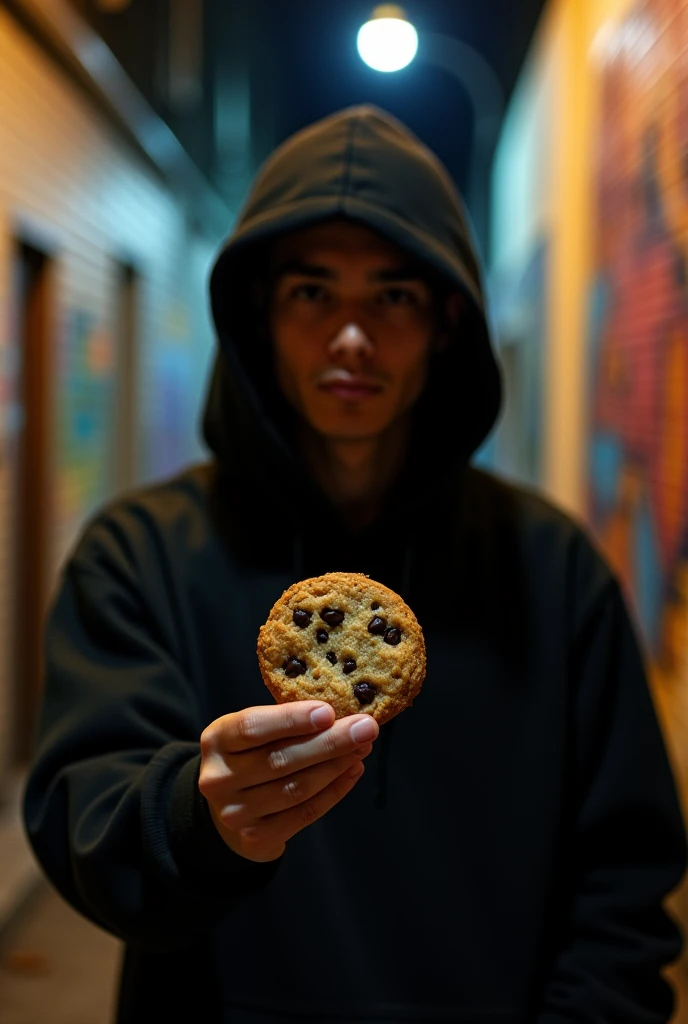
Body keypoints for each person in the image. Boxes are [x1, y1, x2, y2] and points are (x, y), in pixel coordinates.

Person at [23, 105, 686, 1024]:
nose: (350, 336)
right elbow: (83, 823)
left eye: (393, 296)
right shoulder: (138, 556)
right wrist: (197, 819)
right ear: (259, 312)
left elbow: (626, 887)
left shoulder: (553, 571)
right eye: (311, 292)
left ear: (448, 322)